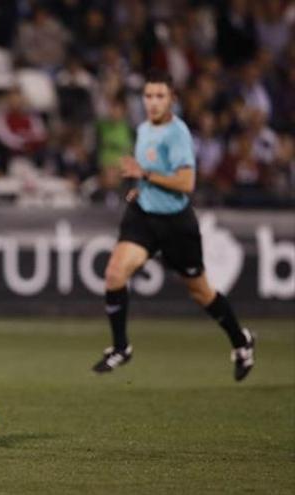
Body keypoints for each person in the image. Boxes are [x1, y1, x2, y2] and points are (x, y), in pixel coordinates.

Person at [93, 70, 255, 380]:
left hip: (175, 223)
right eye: (149, 96)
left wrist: (145, 177)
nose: (153, 102)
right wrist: (141, 188)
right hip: (143, 215)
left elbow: (186, 182)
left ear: (172, 100)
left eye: (160, 96)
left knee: (201, 292)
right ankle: (120, 347)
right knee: (115, 273)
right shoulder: (143, 129)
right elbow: (150, 171)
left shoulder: (178, 133)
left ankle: (241, 341)